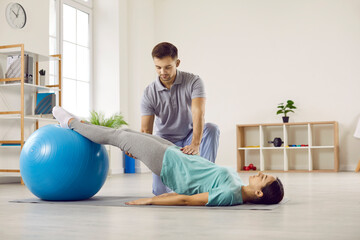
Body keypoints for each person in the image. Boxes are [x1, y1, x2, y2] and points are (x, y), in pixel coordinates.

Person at [52, 107, 284, 206]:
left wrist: (151, 200)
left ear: (259, 192)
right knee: (127, 133)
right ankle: (80, 124)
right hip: (174, 153)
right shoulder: (236, 183)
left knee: (115, 136)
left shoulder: (230, 195)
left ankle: (70, 122)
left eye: (265, 178)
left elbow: (188, 200)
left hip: (165, 163)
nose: (261, 174)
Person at [140, 42, 220, 196]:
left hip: (189, 136)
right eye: (158, 67)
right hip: (164, 142)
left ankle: (206, 181)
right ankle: (179, 187)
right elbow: (145, 130)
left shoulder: (194, 81)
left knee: (211, 128)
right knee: (160, 193)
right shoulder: (149, 92)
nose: (162, 72)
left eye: (168, 67)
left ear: (177, 63)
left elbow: (199, 113)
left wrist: (195, 144)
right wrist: (139, 148)